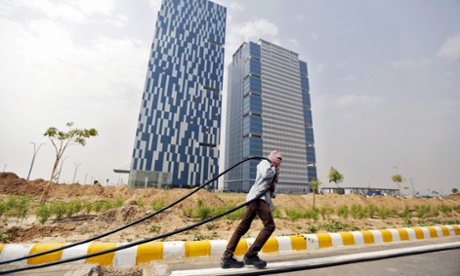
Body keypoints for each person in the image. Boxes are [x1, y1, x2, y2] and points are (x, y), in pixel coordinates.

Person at [220, 150, 282, 269]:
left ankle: (227, 257)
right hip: (258, 197)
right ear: (272, 158)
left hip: (260, 198)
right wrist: (273, 168)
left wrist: (272, 188)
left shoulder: (275, 170)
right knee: (270, 226)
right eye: (277, 159)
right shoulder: (265, 162)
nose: (279, 162)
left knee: (242, 228)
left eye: (280, 160)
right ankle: (251, 255)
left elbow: (272, 192)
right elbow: (265, 174)